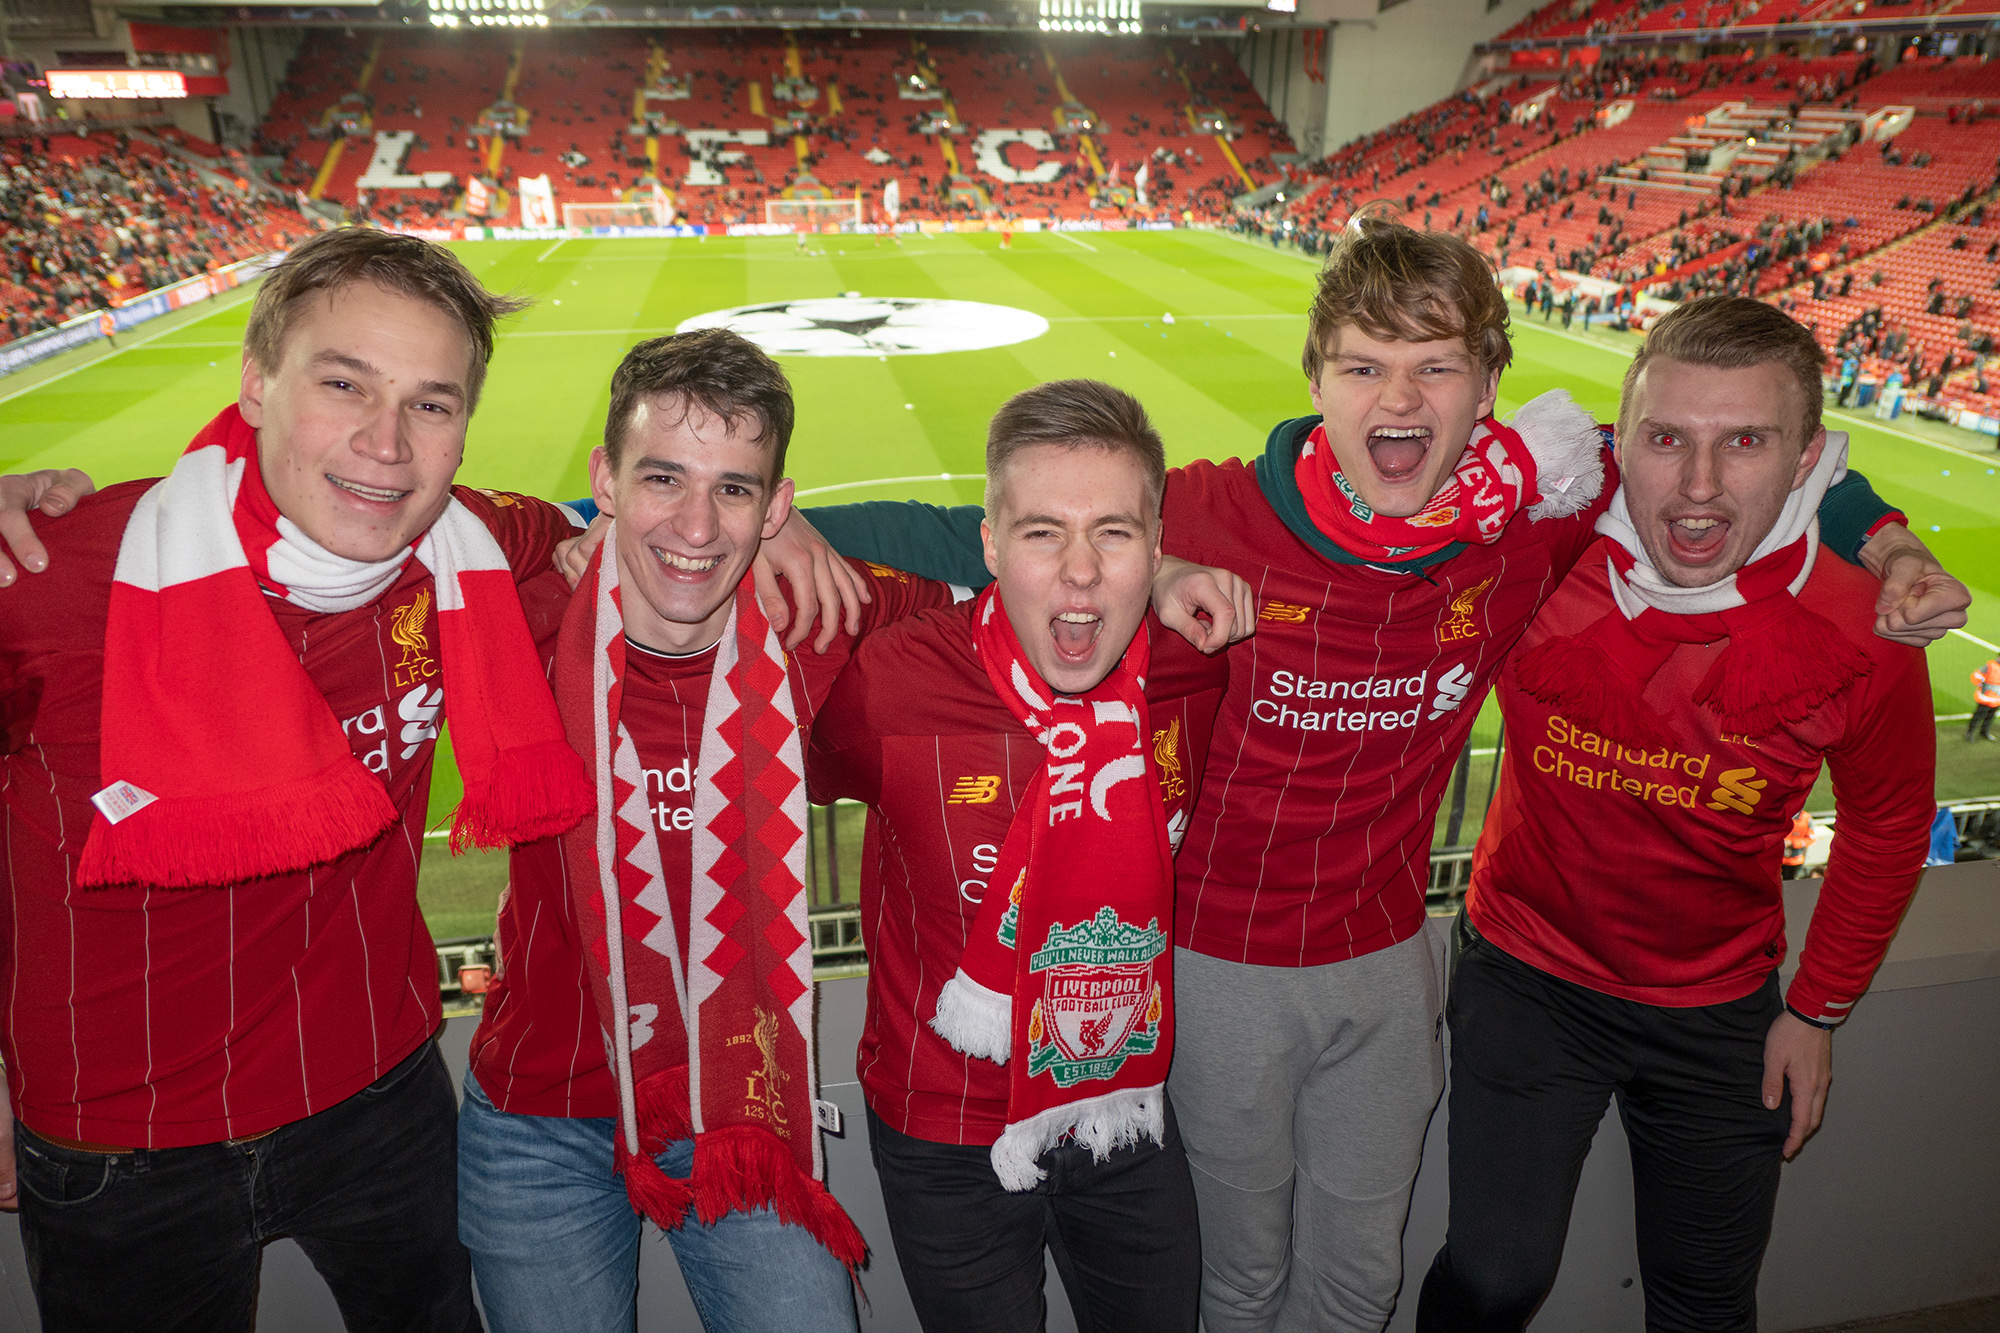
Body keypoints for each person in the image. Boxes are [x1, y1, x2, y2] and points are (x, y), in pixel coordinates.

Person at [777, 216, 1968, 1333]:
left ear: (1487, 388)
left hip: (1389, 961)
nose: (1397, 400)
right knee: (1239, 1273)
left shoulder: (1535, 512)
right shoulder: (1209, 514)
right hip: (1220, 966)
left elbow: (1747, 455)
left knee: (1365, 1274)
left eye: (1434, 368)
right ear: (1314, 382)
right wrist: (774, 528)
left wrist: (1884, 538)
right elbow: (974, 534)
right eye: (1362, 368)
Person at [0, 227, 594, 1331]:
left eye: (430, 402)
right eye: (343, 383)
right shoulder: (52, 575)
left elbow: (646, 538)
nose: (386, 442)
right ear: (256, 382)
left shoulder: (466, 545)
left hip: (383, 1092)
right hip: (119, 1144)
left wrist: (784, 531)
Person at [1416, 297, 1937, 1333]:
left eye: (1744, 441)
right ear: (1618, 444)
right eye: (1665, 439)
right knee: (1492, 1281)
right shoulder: (1539, 554)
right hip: (1526, 974)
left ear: (1807, 459)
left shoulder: (1865, 624)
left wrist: (1816, 1009)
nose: (1697, 485)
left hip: (1722, 1007)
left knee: (1704, 1306)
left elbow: (1887, 825)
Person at [806, 380, 1232, 1333]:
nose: (1080, 573)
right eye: (1044, 532)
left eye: (1114, 533)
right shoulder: (894, 679)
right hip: (944, 1128)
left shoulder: (1194, 665)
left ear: (1158, 547)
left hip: (1123, 1109)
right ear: (991, 544)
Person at [1969, 654, 1999, 741]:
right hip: (1985, 698)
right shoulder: (1990, 666)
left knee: (1990, 717)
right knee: (1978, 716)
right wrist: (1980, 684)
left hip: (1996, 700)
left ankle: (1984, 732)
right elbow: (1976, 675)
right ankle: (1970, 733)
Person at [1783, 809, 1815, 879]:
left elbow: (1811, 839)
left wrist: (1792, 843)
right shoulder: (1779, 814)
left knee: (1790, 882)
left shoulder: (1807, 819)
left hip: (1795, 861)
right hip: (1777, 859)